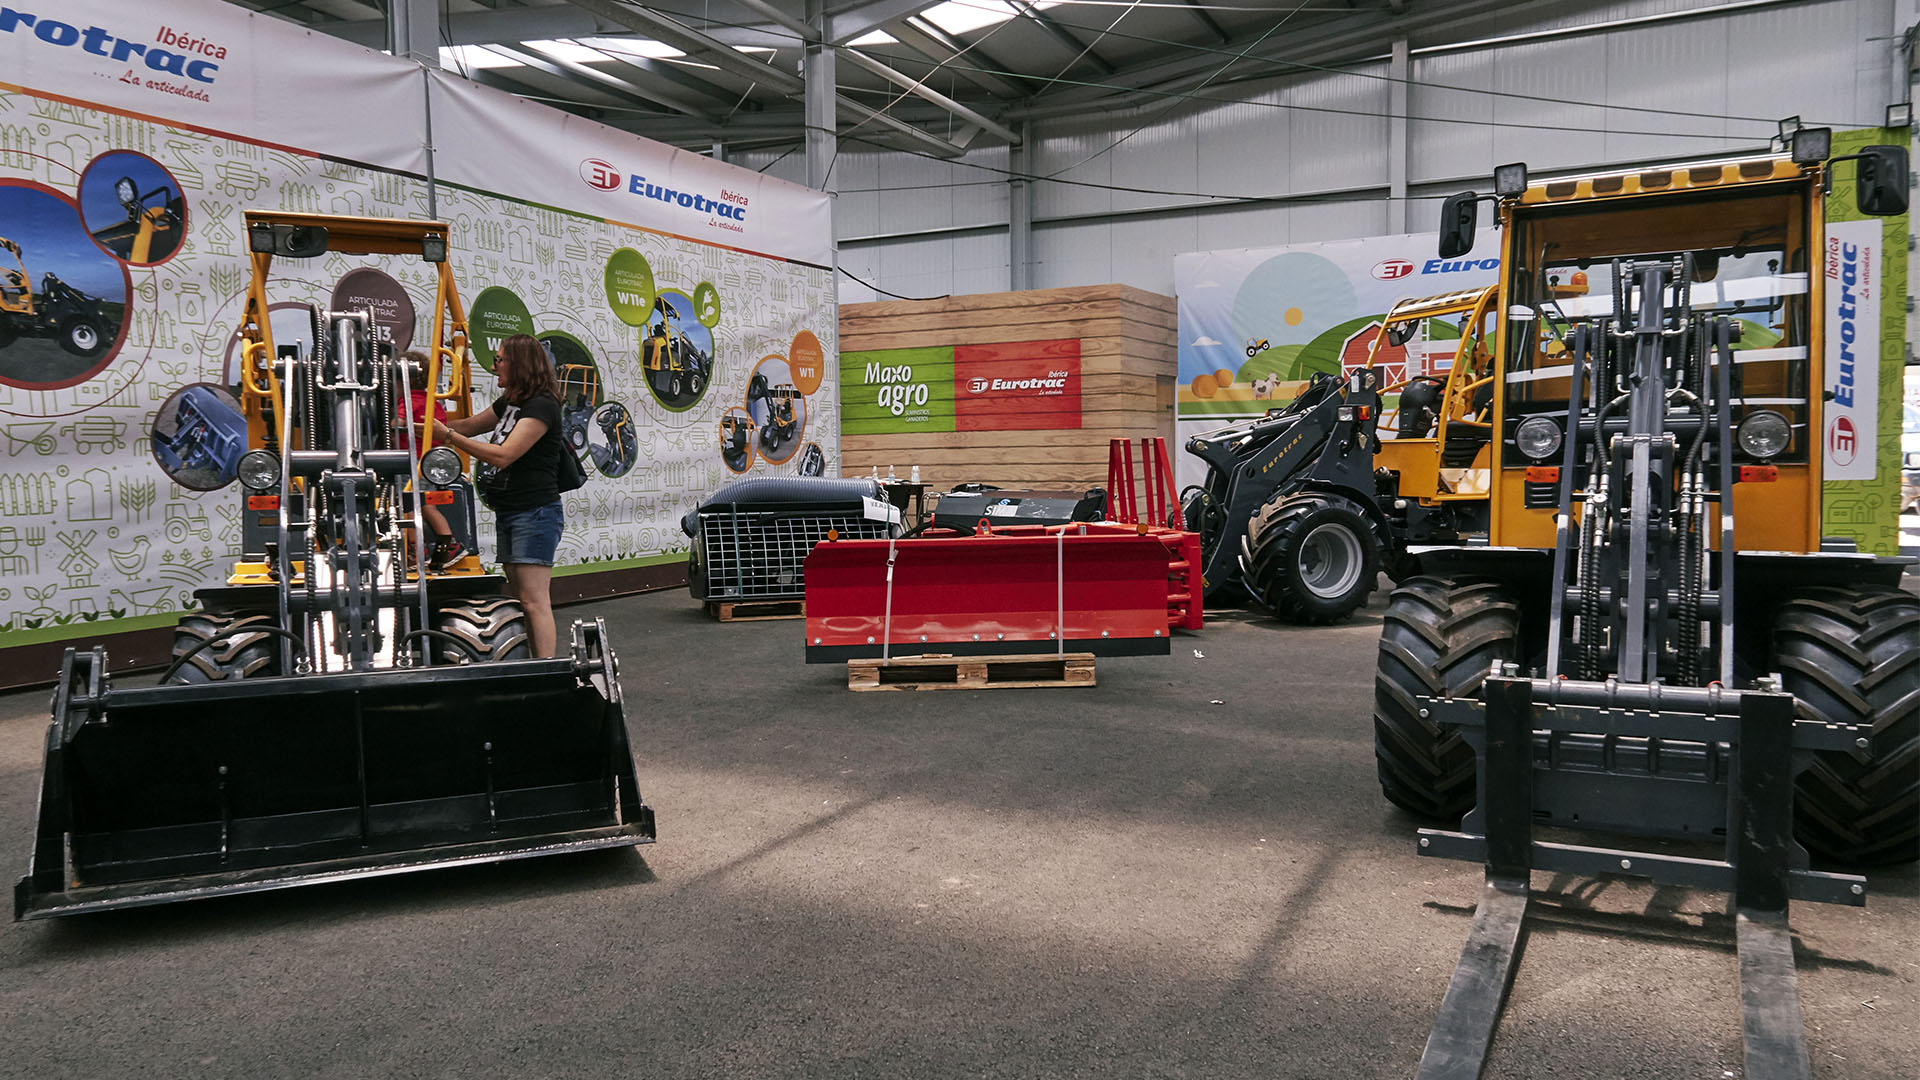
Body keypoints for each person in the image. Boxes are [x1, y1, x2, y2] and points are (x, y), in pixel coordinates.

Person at [429, 334, 566, 658]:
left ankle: (546, 672)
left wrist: (446, 435)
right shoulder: (511, 402)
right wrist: (419, 424)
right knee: (523, 599)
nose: (494, 367)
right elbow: (471, 425)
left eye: (500, 360)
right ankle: (533, 664)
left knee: (534, 600)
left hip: (535, 513)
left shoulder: (541, 406)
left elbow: (504, 455)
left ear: (518, 364)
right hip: (511, 511)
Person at [399, 349, 464, 570]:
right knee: (427, 506)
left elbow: (397, 423)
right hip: (430, 464)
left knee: (408, 504)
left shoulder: (407, 401)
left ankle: (414, 548)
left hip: (412, 462)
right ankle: (449, 542)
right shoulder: (431, 402)